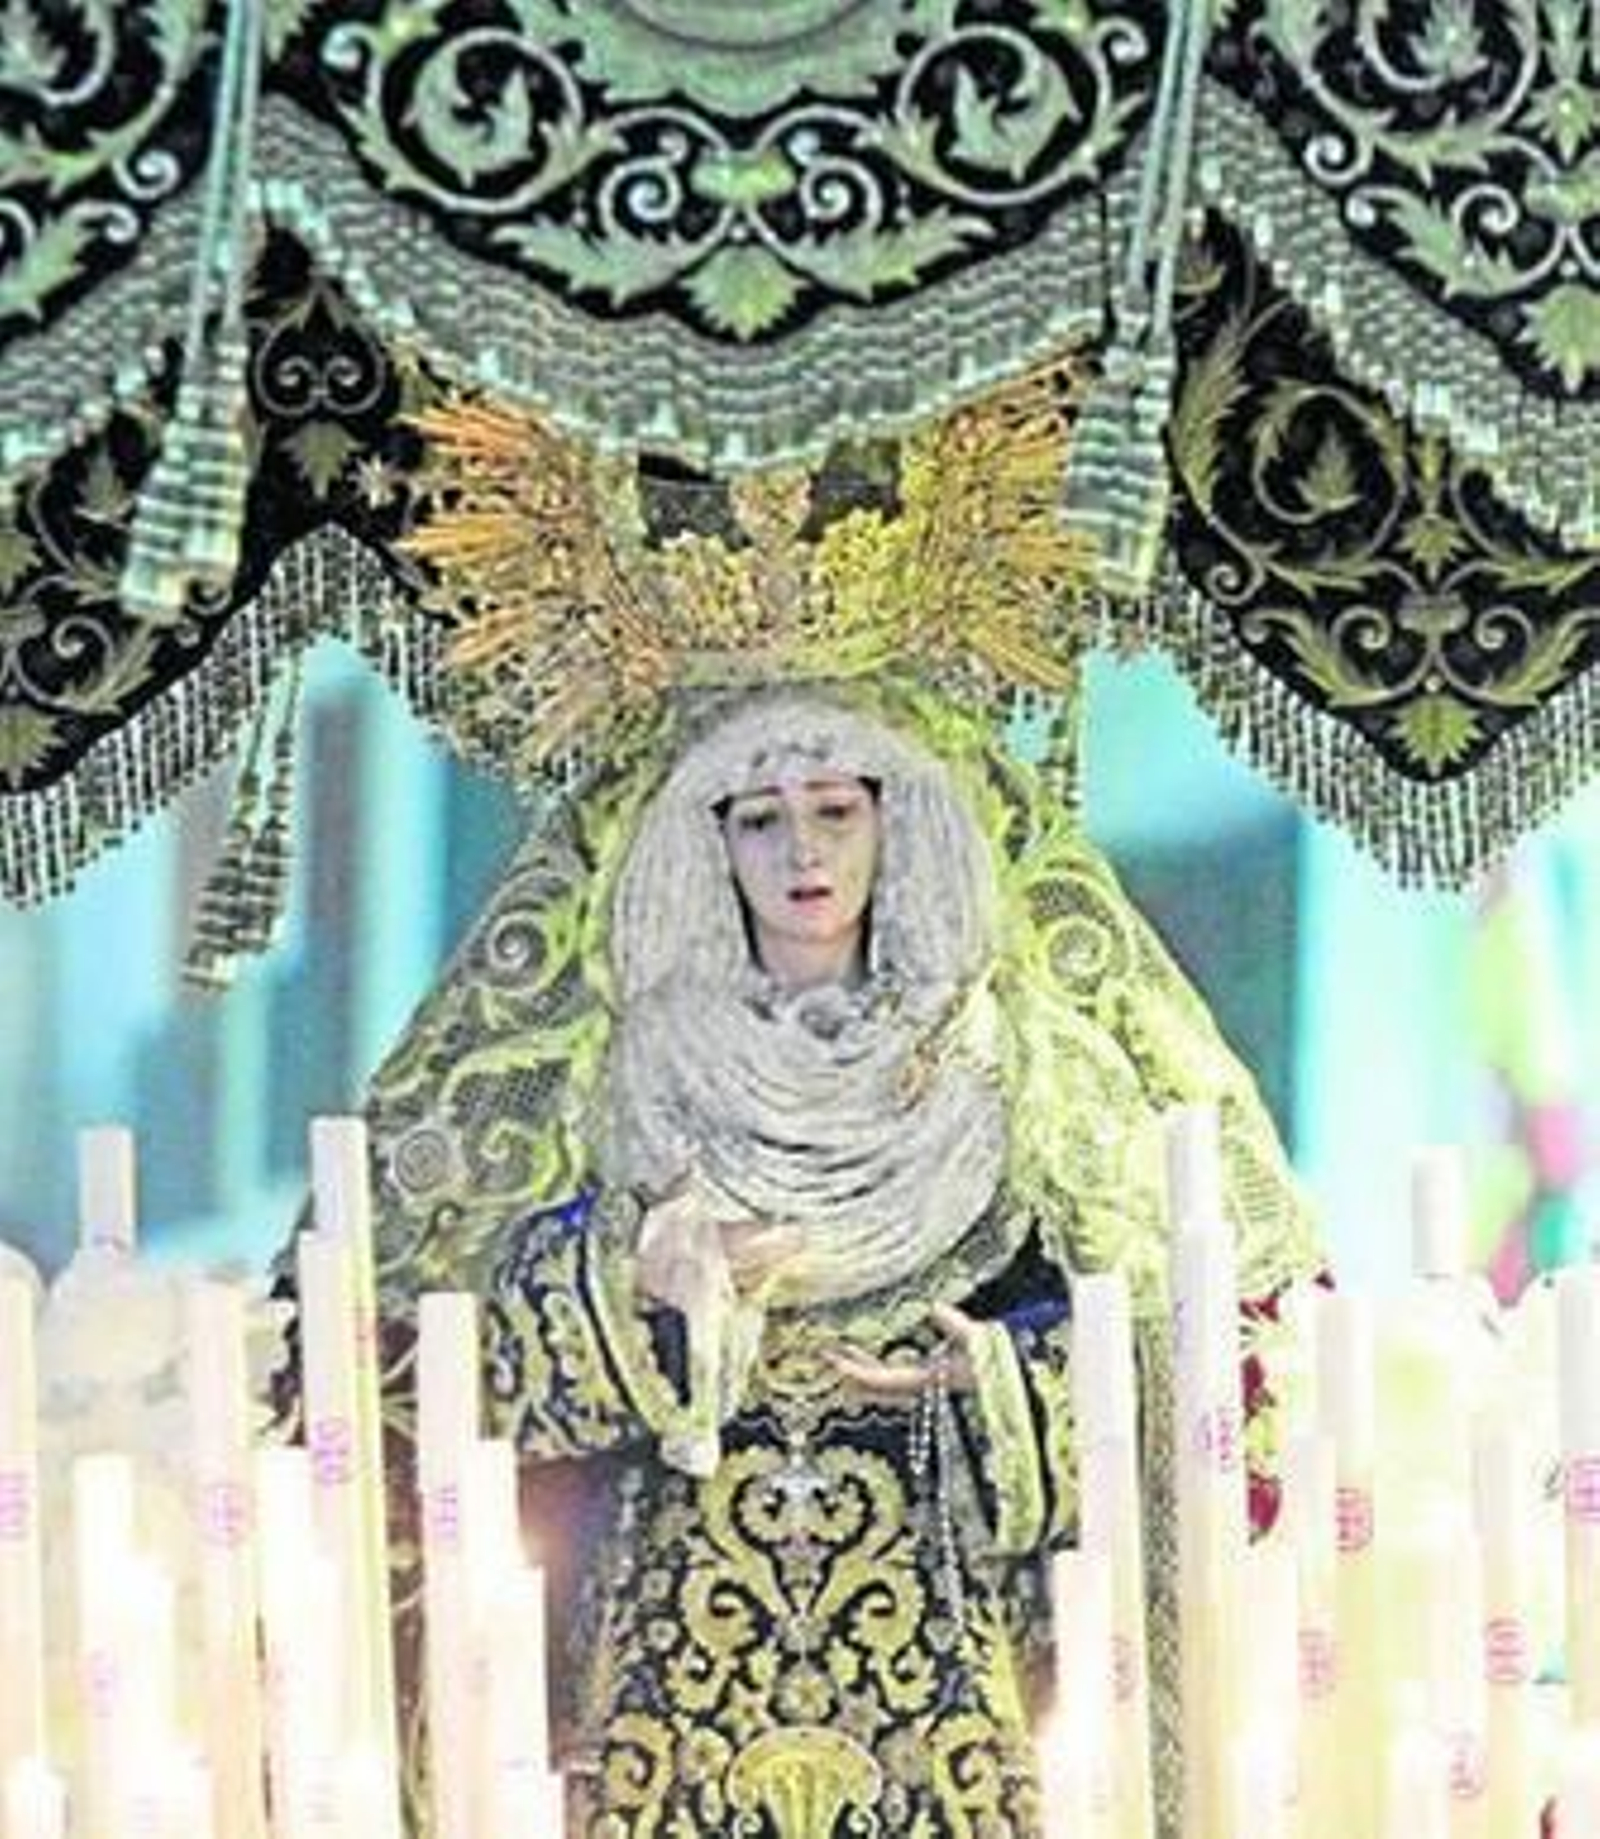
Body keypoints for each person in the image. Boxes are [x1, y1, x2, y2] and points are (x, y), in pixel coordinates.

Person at [433, 685, 1321, 1835]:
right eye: (760, 818)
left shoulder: (1014, 1072)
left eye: (836, 810)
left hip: (943, 1612)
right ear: (714, 842)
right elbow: (479, 1355)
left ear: (892, 822)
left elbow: (1162, 1340)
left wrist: (1000, 1378)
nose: (802, 851)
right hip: (677, 1618)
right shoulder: (627, 1070)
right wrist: (637, 1283)